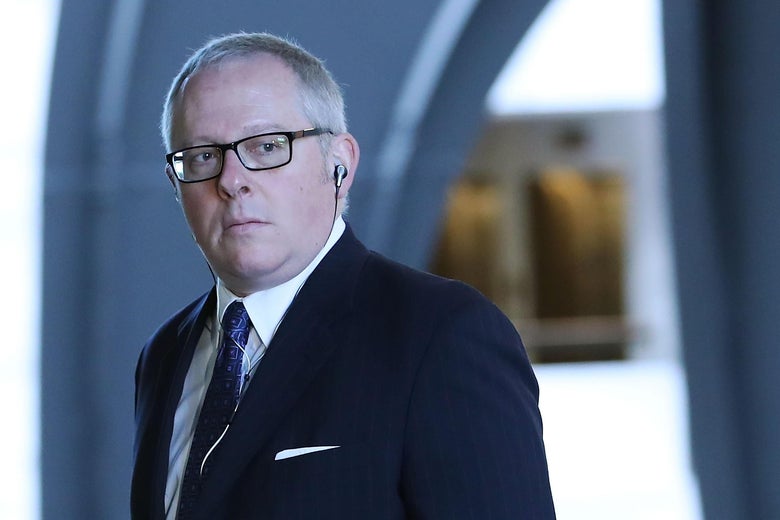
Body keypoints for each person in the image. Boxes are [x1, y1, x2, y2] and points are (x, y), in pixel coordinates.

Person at [131, 32, 556, 520]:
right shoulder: (163, 355)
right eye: (204, 156)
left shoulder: (439, 334)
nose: (231, 180)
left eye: (268, 146)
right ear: (176, 184)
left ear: (340, 164)